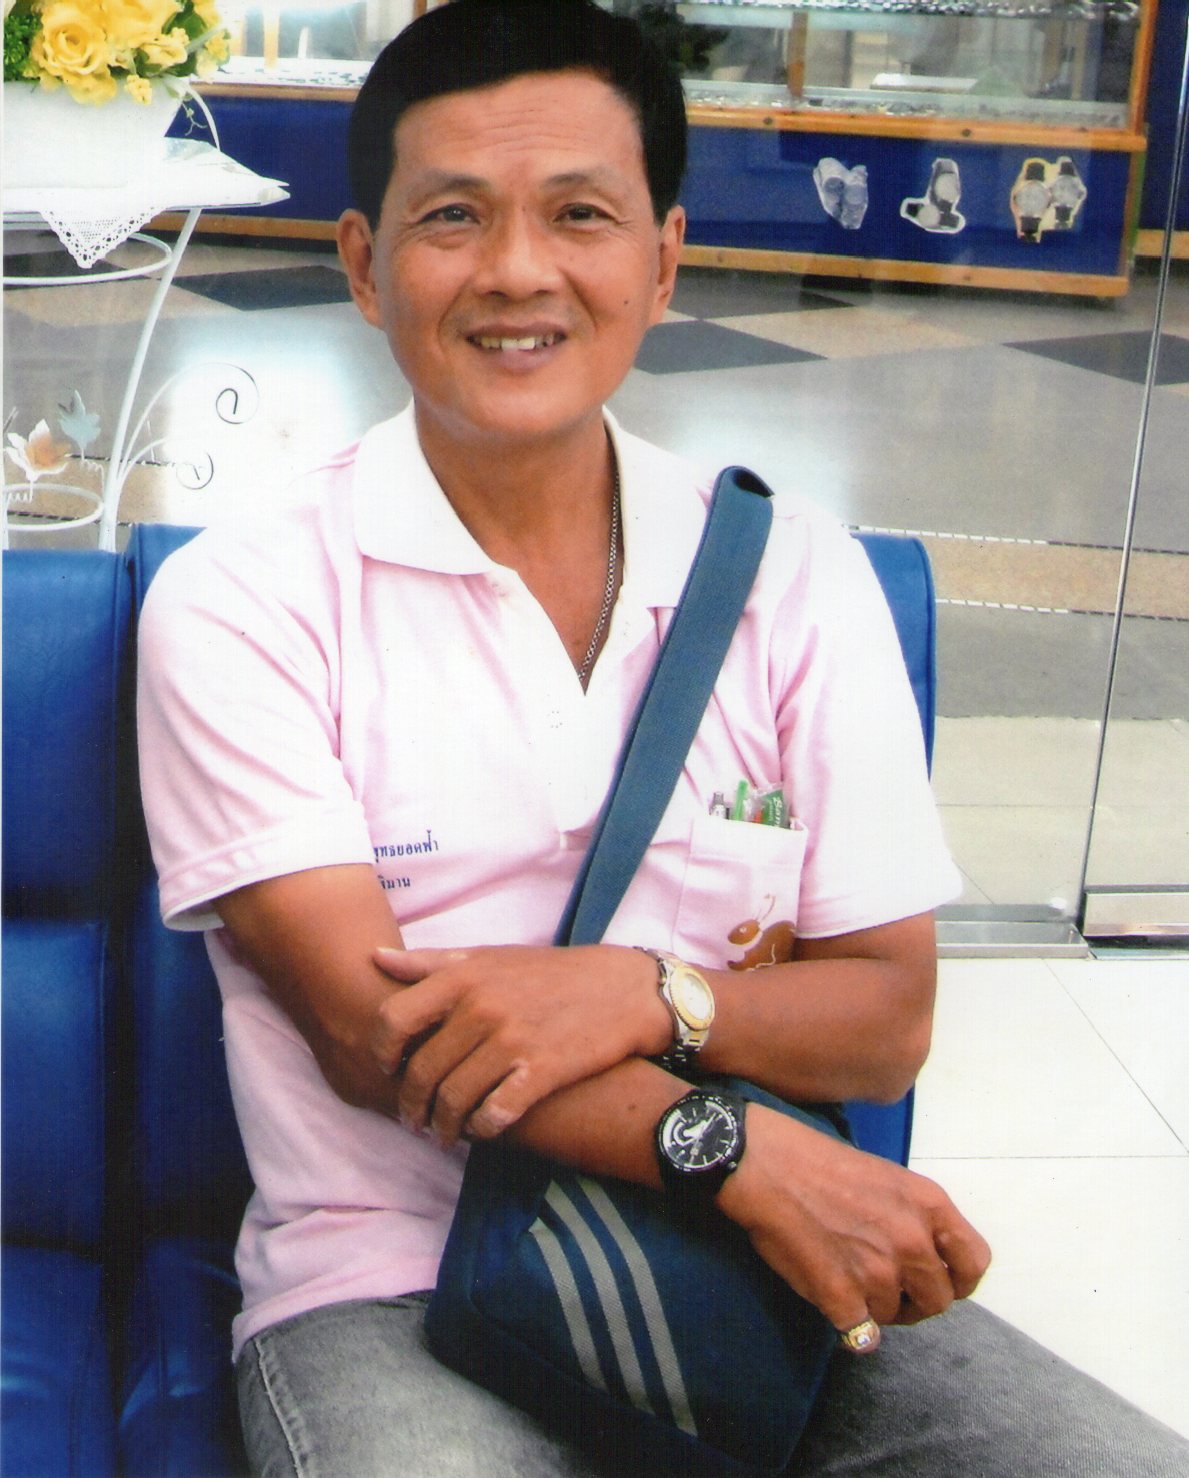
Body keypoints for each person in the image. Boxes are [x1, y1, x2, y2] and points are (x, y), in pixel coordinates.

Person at [136, 2, 1189, 1473]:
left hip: (749, 1281)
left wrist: (644, 995)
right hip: (394, 1286)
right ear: (365, 266)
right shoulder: (244, 601)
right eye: (453, 216)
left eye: (580, 214)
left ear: (663, 258)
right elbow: (378, 1038)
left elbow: (885, 1013)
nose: (518, 270)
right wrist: (729, 1145)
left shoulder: (794, 573)